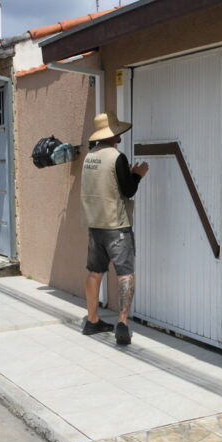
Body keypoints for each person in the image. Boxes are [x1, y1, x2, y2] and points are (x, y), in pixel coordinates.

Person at [80, 112, 149, 345]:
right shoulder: (116, 157)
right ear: (113, 135)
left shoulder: (90, 156)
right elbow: (128, 190)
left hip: (95, 223)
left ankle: (92, 319)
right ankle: (122, 323)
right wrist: (137, 175)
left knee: (94, 271)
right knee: (125, 273)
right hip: (116, 225)